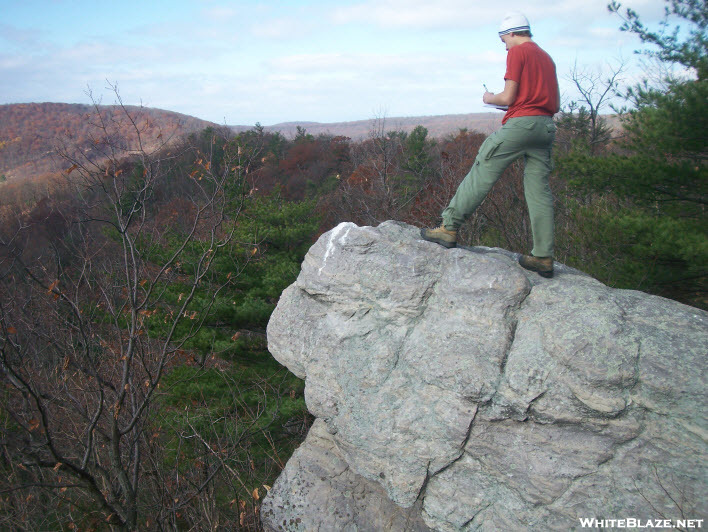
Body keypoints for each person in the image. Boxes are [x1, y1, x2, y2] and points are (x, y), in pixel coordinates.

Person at [421, 12, 560, 278]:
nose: (504, 45)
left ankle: (449, 227)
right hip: (546, 127)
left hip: (521, 126)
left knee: (482, 169)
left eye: (503, 40)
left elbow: (508, 96)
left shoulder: (519, 52)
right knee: (539, 192)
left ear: (511, 34)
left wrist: (489, 98)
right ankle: (543, 256)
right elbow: (546, 99)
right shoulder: (547, 57)